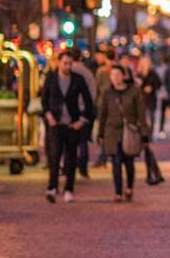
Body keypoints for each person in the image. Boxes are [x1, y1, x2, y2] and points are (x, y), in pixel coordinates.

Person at [39, 50, 94, 203]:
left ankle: (69, 189)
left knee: (71, 158)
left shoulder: (78, 79)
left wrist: (82, 120)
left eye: (70, 64)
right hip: (55, 124)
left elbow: (89, 102)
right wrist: (48, 114)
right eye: (65, 63)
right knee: (54, 156)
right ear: (59, 63)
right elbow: (43, 99)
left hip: (72, 124)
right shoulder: (51, 78)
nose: (68, 66)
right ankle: (52, 187)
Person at [97, 63, 149, 202]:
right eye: (113, 75)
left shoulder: (133, 92)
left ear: (124, 76)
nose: (115, 78)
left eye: (118, 75)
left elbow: (141, 113)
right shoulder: (107, 93)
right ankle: (118, 191)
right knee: (116, 161)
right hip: (112, 132)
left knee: (129, 162)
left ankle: (129, 187)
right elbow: (103, 114)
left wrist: (144, 132)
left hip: (130, 132)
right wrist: (100, 133)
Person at [135, 54, 165, 185]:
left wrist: (151, 87)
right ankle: (154, 173)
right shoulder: (138, 75)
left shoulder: (152, 74)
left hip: (150, 103)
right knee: (145, 142)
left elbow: (159, 84)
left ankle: (152, 174)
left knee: (147, 138)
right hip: (141, 105)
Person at [69, 47, 97, 179]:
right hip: (84, 110)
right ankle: (83, 169)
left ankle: (69, 167)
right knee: (83, 141)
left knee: (69, 142)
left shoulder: (68, 71)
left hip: (70, 111)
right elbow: (93, 92)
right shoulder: (87, 72)